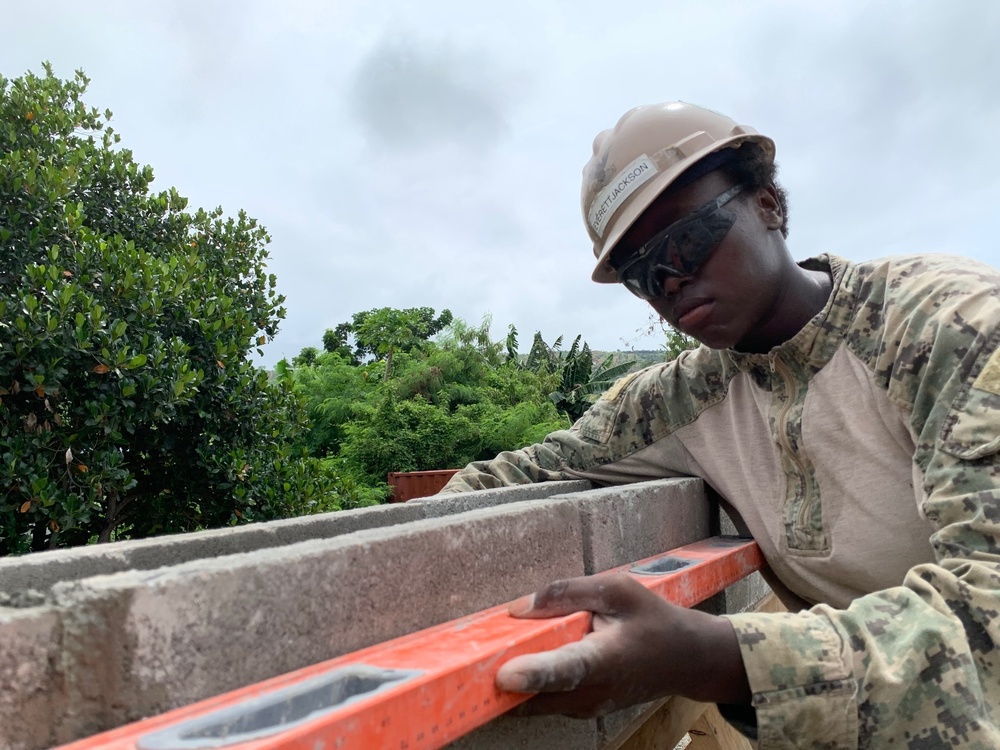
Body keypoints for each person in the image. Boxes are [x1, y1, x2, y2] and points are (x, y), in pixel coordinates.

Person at [435, 102, 1000, 747]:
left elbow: (990, 618)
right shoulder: (685, 397)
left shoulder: (948, 329)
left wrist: (713, 660)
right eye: (643, 276)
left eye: (688, 240)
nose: (672, 280)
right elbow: (522, 473)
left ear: (768, 203)